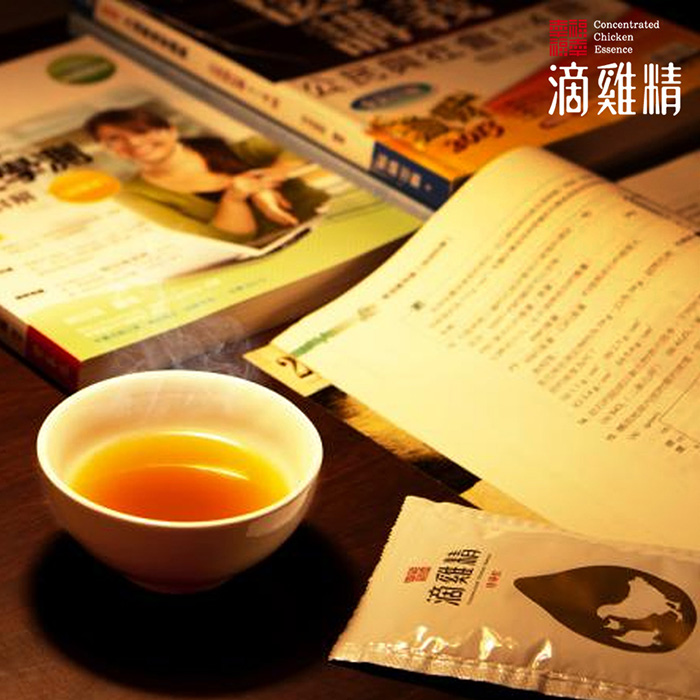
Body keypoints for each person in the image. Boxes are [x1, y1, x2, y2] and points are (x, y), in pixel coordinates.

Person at [84, 106, 329, 242]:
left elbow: (301, 139)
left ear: (171, 130)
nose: (134, 142)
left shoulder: (229, 147)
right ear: (108, 150)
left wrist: (270, 176)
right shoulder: (132, 195)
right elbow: (226, 242)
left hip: (328, 219)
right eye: (114, 139)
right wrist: (235, 196)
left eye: (140, 130)